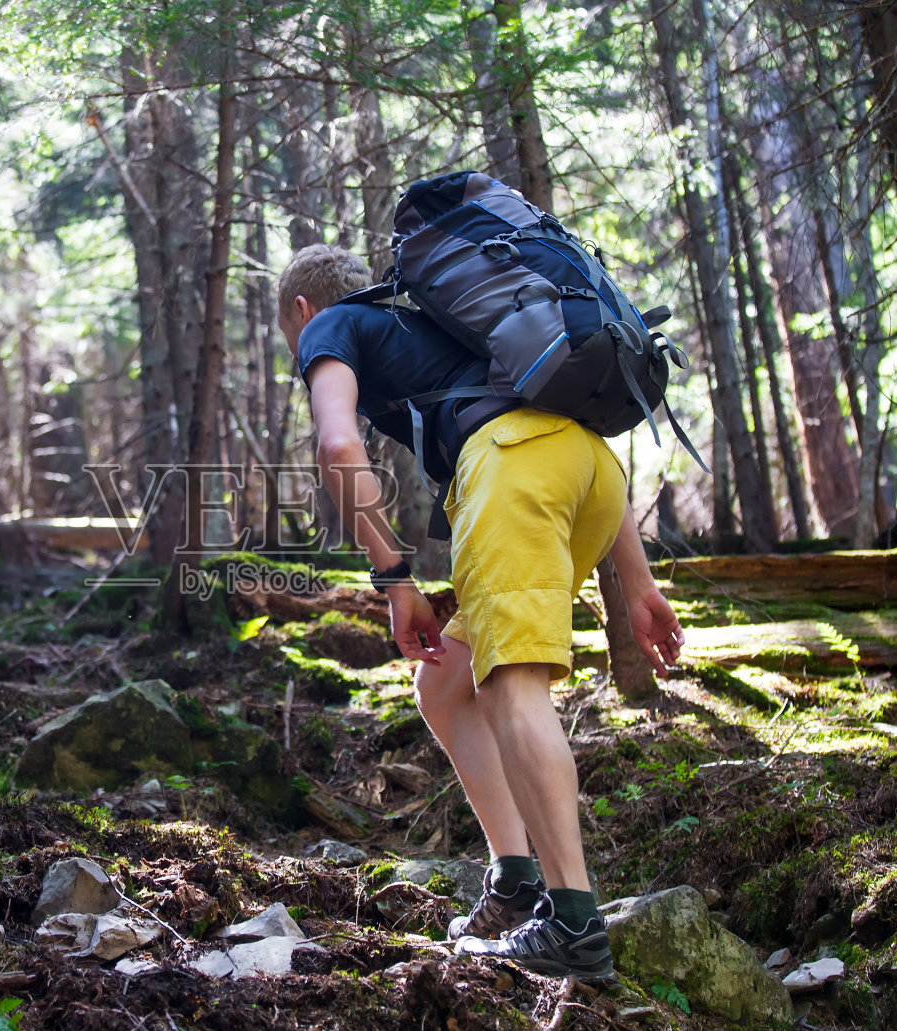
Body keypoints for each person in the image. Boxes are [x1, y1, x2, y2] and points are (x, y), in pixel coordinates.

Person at [276, 244, 684, 979]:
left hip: (512, 467)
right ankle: (518, 878)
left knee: (509, 683)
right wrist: (639, 581)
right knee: (446, 682)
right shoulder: (441, 321)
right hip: (589, 470)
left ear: (301, 311)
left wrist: (394, 578)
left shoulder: (330, 325)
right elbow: (559, 432)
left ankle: (575, 925)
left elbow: (337, 443)